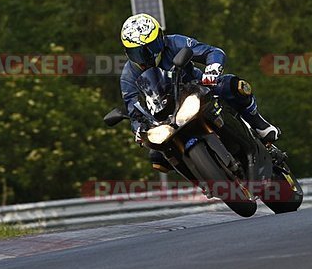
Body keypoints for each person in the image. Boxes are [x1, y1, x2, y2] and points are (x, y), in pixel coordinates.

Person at [119, 13, 280, 170]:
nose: (145, 56)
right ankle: (202, 180)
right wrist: (138, 129)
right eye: (137, 52)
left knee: (234, 86)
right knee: (157, 158)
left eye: (150, 48)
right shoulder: (128, 75)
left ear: (161, 38)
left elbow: (212, 52)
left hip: (197, 89)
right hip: (164, 118)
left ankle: (259, 125)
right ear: (127, 52)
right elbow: (133, 110)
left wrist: (212, 69)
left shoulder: (175, 42)